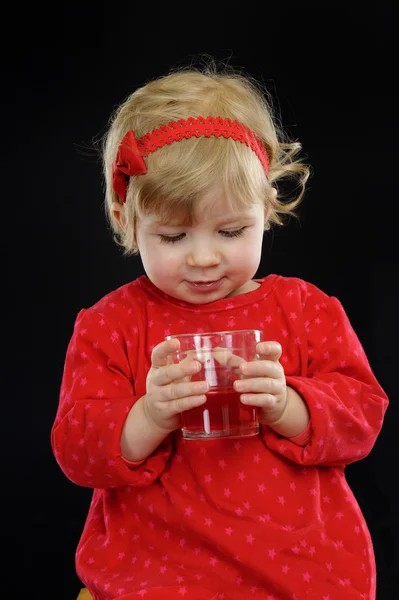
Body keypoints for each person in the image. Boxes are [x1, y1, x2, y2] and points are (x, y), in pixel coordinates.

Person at [51, 61, 389, 600]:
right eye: (173, 235)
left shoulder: (306, 309)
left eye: (231, 230)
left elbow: (361, 420)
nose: (203, 258)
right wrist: (148, 413)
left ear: (266, 209)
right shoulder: (110, 325)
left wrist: (287, 403)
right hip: (153, 574)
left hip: (297, 573)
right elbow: (76, 450)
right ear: (127, 220)